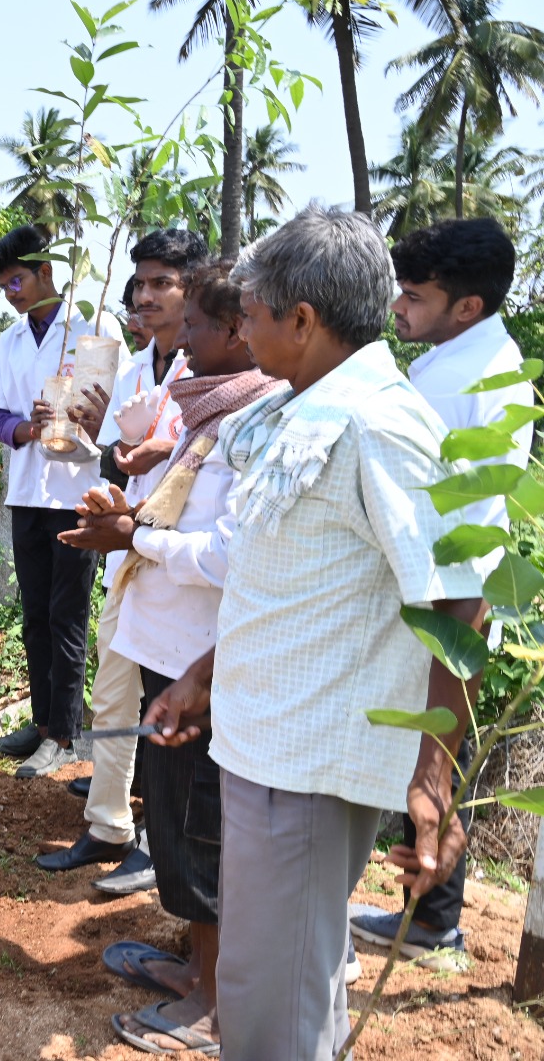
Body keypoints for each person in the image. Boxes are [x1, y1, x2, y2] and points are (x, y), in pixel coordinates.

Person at [147, 206, 487, 1059]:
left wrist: (434, 781)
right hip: (264, 743)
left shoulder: (381, 424)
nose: (242, 328)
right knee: (287, 989)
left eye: (253, 315)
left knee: (273, 1009)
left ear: (302, 320)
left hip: (310, 766)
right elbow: (289, 579)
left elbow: (457, 601)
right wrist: (205, 672)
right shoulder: (308, 409)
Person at [62, 261, 283, 1056]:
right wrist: (127, 523)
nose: (180, 344)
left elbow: (235, 557)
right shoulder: (207, 413)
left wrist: (138, 538)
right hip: (170, 651)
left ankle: (216, 1006)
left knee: (203, 831)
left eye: (194, 328)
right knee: (181, 820)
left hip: (206, 662)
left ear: (237, 332)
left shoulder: (260, 420)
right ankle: (198, 969)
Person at [348, 217, 534, 970]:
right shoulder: (462, 359)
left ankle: (431, 923)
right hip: (437, 587)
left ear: (467, 305)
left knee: (431, 758)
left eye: (415, 296)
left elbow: (465, 518)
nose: (399, 306)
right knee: (423, 759)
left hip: (448, 595)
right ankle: (427, 919)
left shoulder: (471, 378)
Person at [40, 229, 205, 890]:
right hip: (127, 554)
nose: (145, 296)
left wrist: (155, 453)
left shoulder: (217, 368)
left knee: (175, 709)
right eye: (139, 284)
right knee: (112, 695)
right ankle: (108, 823)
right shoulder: (131, 368)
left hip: (184, 563)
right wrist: (114, 451)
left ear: (192, 288)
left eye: (161, 282)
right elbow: (103, 451)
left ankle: (164, 842)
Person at [0, 224, 124, 777]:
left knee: (67, 616)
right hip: (27, 494)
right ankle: (42, 725)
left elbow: (118, 411)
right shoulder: (10, 340)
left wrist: (82, 420)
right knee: (35, 614)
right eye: (3, 287)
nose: (10, 293)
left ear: (46, 272)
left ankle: (66, 737)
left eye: (16, 280)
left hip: (78, 495)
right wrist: (27, 428)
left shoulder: (95, 325)